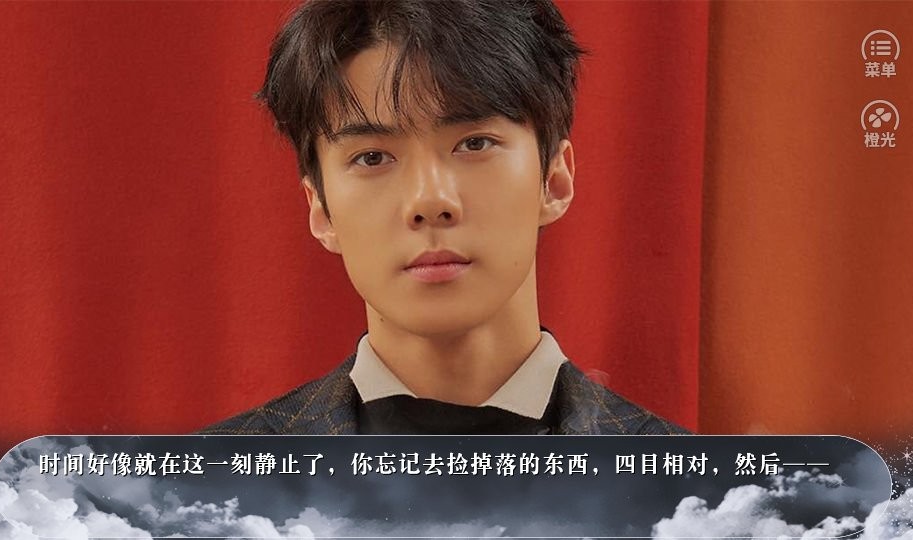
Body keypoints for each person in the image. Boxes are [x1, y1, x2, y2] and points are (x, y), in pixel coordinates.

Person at [201, 0, 687, 436]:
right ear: (321, 209)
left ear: (554, 181)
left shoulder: (695, 487)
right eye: (372, 157)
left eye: (474, 144)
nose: (430, 200)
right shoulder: (200, 486)